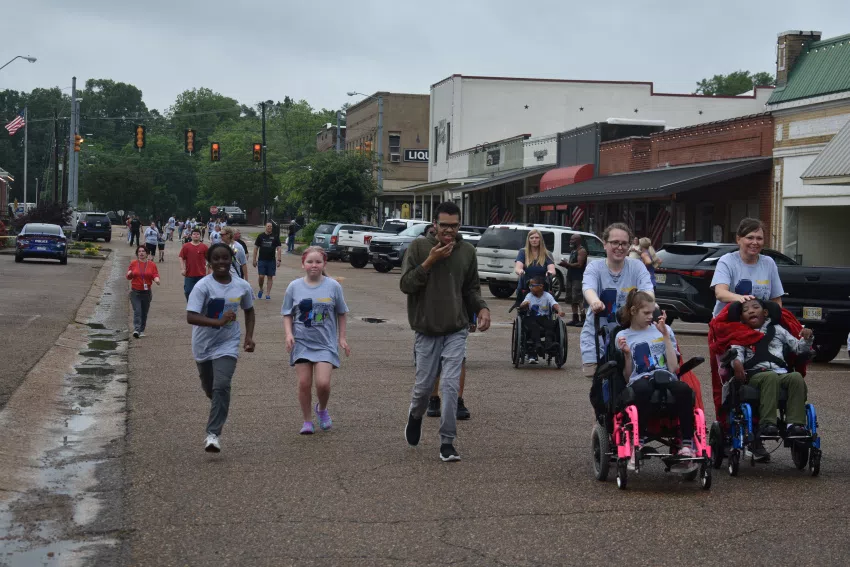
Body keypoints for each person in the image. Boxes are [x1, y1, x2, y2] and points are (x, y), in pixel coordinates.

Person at [401, 201, 491, 462]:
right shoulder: (419, 247)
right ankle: (415, 415)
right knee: (423, 389)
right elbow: (406, 285)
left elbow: (471, 288)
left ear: (459, 225)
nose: (449, 231)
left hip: (456, 329)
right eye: (444, 226)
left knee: (450, 386)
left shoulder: (467, 251)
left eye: (454, 226)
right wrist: (430, 261)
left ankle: (447, 442)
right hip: (427, 328)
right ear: (434, 224)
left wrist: (482, 308)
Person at [616, 290, 696, 472]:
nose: (650, 317)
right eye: (646, 313)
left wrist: (665, 336)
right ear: (633, 311)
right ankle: (638, 441)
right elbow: (627, 377)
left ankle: (686, 444)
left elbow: (674, 368)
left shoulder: (664, 330)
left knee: (684, 390)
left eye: (652, 312)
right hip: (640, 378)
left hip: (665, 376)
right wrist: (627, 355)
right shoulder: (623, 336)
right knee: (643, 389)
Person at [186, 243, 256, 453]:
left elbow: (249, 311)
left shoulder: (242, 286)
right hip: (203, 345)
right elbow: (191, 316)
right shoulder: (203, 286)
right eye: (216, 259)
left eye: (225, 258)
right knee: (211, 388)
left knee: (222, 384)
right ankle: (219, 402)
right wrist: (218, 322)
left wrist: (249, 336)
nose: (221, 262)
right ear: (209, 262)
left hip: (228, 342)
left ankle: (213, 434)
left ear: (231, 259)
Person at [729, 298, 813, 461]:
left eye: (755, 307)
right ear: (741, 317)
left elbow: (797, 348)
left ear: (766, 313)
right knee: (770, 376)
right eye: (746, 310)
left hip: (781, 372)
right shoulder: (740, 332)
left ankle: (795, 424)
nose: (751, 311)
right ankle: (768, 423)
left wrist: (807, 339)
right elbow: (736, 353)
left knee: (795, 377)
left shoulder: (778, 330)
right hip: (756, 375)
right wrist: (736, 363)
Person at [283, 246, 350, 435]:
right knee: (304, 383)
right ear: (303, 264)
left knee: (323, 383)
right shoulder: (294, 286)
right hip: (302, 342)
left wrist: (342, 338)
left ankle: (321, 409)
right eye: (310, 262)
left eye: (318, 262)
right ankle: (307, 421)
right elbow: (287, 313)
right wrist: (288, 334)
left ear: (324, 264)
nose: (314, 265)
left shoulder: (333, 286)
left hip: (325, 343)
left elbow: (342, 312)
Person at [580, 223, 654, 378]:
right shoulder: (594, 267)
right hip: (598, 335)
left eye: (624, 243)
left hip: (630, 336)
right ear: (605, 244)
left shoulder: (637, 266)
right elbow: (588, 288)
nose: (620, 247)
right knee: (598, 381)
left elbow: (647, 290)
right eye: (615, 242)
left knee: (635, 377)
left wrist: (650, 302)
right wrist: (595, 301)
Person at [711, 218, 783, 317]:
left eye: (759, 238)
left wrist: (775, 318)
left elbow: (776, 300)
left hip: (759, 322)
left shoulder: (769, 263)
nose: (755, 242)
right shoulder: (727, 261)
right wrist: (742, 299)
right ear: (738, 239)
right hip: (729, 321)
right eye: (750, 238)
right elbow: (721, 293)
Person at [427, 307, 477, 421]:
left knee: (459, 358)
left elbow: (470, 295)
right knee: (435, 358)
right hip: (434, 318)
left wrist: (473, 317)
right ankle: (434, 398)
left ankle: (458, 400)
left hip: (458, 319)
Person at [519, 275, 566, 364]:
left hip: (543, 317)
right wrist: (524, 304)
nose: (530, 287)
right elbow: (522, 305)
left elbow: (555, 304)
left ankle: (549, 344)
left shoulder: (547, 296)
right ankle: (538, 344)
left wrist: (560, 311)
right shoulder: (529, 295)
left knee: (550, 324)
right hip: (531, 318)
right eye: (529, 286)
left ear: (541, 286)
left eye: (532, 286)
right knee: (534, 326)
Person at [127, 245, 160, 339]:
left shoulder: (152, 264)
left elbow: (155, 274)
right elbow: (128, 276)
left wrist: (157, 280)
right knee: (137, 311)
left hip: (146, 292)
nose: (141, 253)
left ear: (147, 253)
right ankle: (136, 330)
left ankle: (141, 330)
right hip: (135, 292)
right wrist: (130, 274)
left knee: (144, 312)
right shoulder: (133, 263)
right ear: (137, 254)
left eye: (143, 251)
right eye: (139, 251)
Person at [559, 233, 587, 327]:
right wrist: (566, 265)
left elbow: (579, 264)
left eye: (573, 240)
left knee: (579, 299)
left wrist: (567, 264)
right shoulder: (573, 251)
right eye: (570, 240)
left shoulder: (582, 251)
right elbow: (571, 266)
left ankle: (583, 319)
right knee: (572, 299)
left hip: (578, 279)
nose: (570, 242)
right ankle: (575, 319)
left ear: (578, 241)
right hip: (570, 277)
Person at [253, 222, 282, 300]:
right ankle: (261, 288)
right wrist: (254, 260)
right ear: (265, 227)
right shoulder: (260, 236)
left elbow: (279, 248)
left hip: (271, 260)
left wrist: (279, 259)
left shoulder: (275, 237)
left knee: (270, 277)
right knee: (261, 276)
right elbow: (256, 248)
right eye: (268, 226)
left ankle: (268, 294)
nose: (270, 228)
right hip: (262, 260)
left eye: (271, 226)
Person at [179, 228, 209, 301]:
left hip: (201, 275)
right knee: (188, 291)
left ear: (200, 236)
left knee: (201, 292)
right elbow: (181, 257)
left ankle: (199, 306)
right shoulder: (186, 246)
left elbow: (210, 259)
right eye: (194, 234)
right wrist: (182, 269)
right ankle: (191, 305)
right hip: (189, 274)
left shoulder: (204, 247)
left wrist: (209, 271)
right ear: (191, 236)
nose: (196, 235)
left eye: (198, 234)